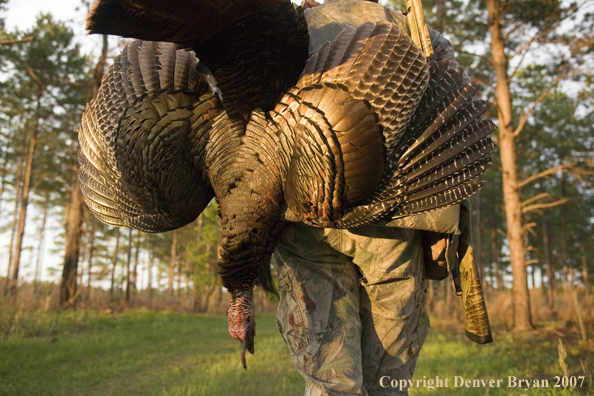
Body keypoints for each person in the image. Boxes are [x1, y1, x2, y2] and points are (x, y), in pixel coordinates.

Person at [272, 1, 490, 395]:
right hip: (395, 221)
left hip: (306, 218)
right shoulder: (413, 30)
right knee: (388, 376)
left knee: (330, 376)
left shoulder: (287, 29)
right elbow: (448, 131)